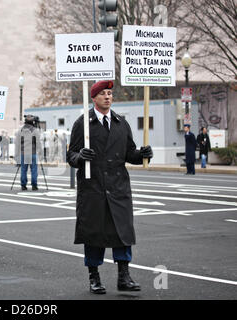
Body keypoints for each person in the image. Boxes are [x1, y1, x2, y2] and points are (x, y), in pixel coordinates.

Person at [67, 80, 153, 294]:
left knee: (122, 233)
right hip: (93, 187)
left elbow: (129, 154)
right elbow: (70, 156)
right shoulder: (83, 124)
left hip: (117, 187)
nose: (108, 97)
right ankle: (94, 277)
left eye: (110, 93)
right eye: (103, 93)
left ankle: (124, 276)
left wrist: (142, 155)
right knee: (93, 234)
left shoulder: (121, 123)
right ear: (94, 97)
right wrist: (80, 157)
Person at [15, 115, 42, 191]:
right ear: (32, 122)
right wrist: (40, 152)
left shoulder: (20, 131)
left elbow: (17, 144)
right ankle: (34, 185)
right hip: (33, 153)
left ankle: (23, 185)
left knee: (23, 170)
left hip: (23, 153)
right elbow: (38, 143)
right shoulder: (35, 131)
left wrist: (16, 155)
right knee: (34, 170)